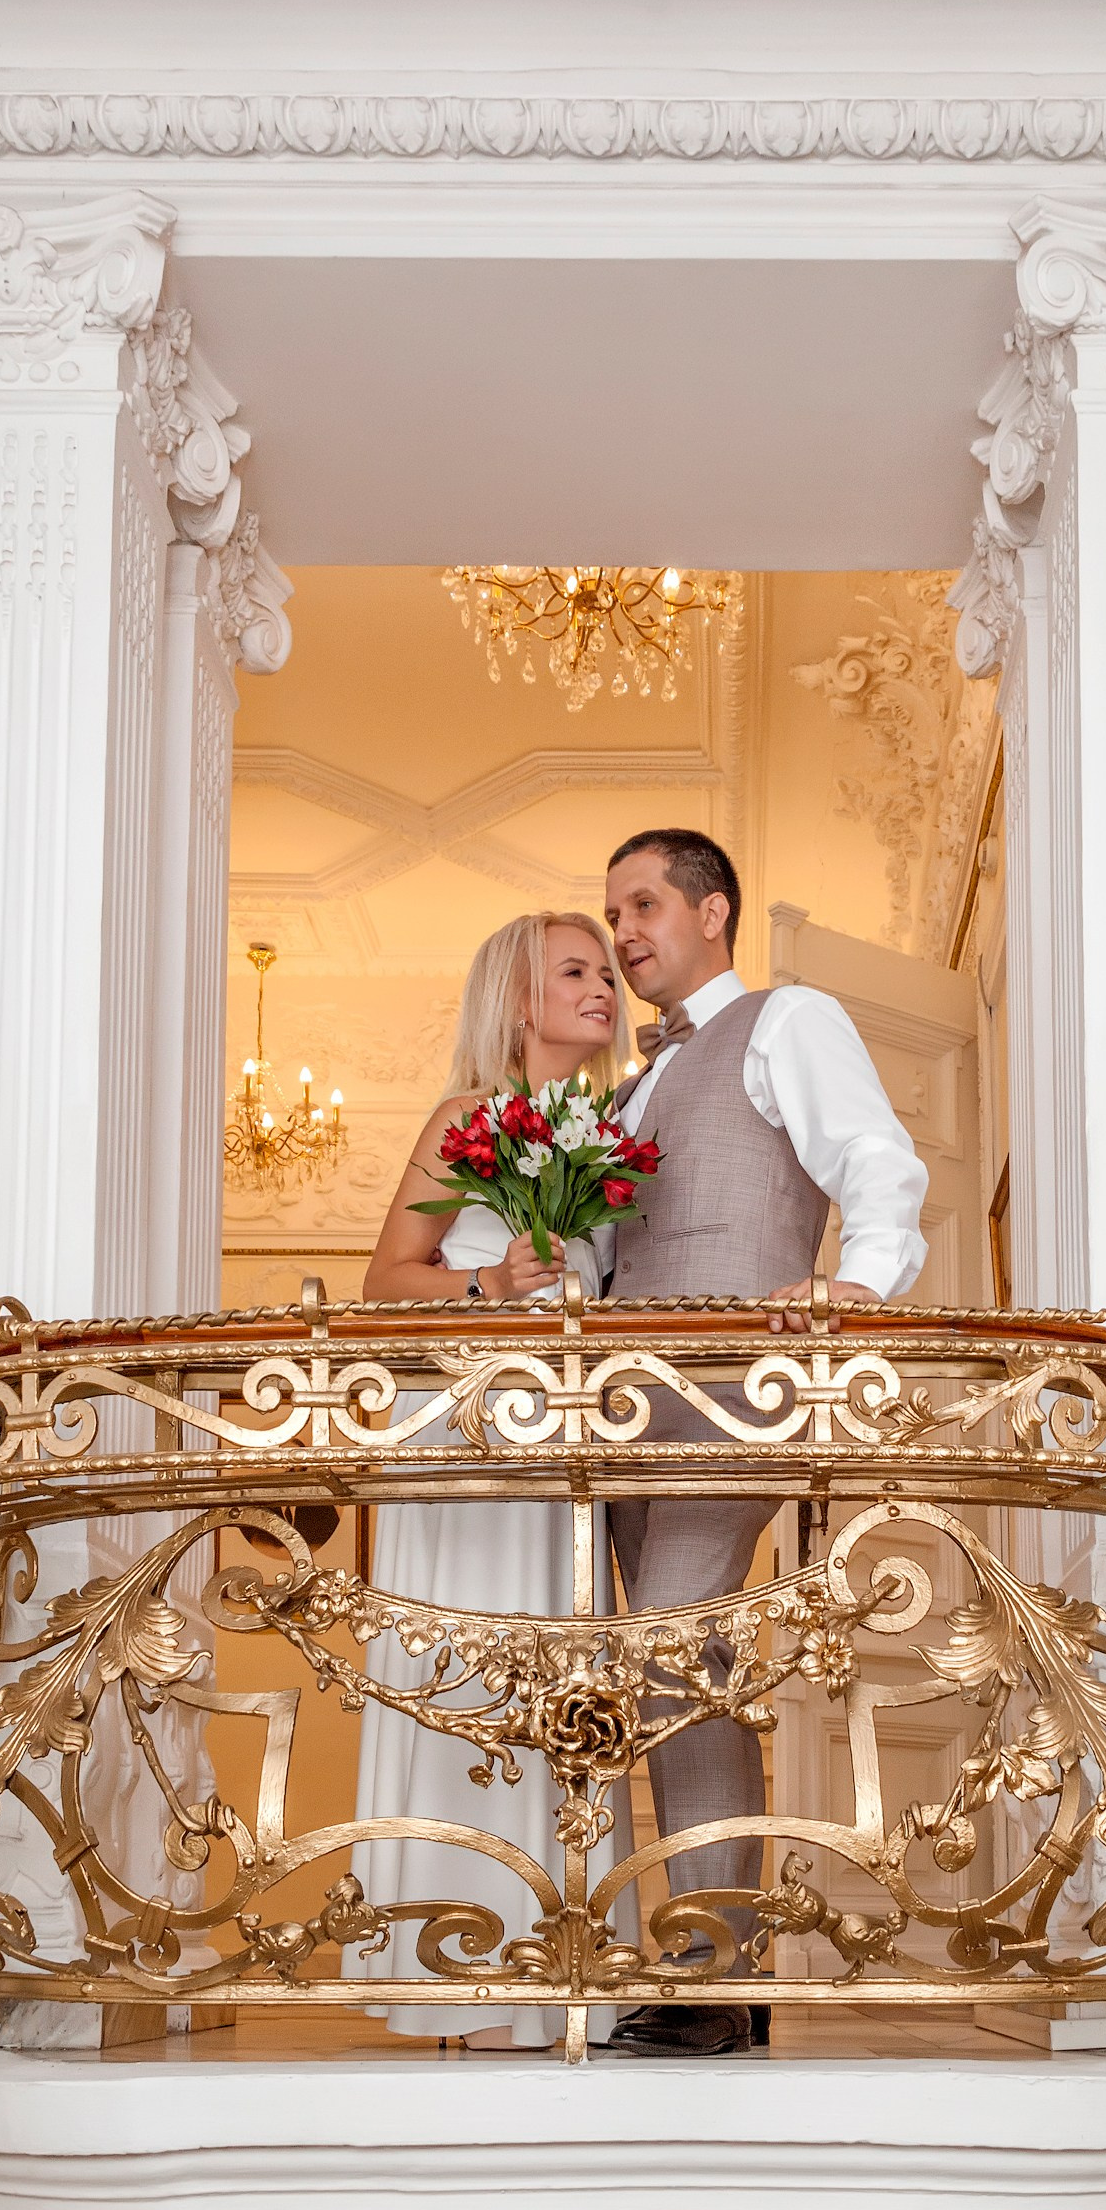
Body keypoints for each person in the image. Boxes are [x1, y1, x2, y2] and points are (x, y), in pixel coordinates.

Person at [597, 827, 928, 2058]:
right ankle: (711, 1966)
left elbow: (876, 1158)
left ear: (713, 910)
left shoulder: (788, 1019)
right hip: (617, 1408)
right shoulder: (626, 1088)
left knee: (669, 1648)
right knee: (672, 1674)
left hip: (735, 1393)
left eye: (643, 905)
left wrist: (862, 1289)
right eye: (613, 914)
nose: (624, 933)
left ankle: (708, 1975)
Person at [347, 911, 635, 2051]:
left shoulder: (609, 1135)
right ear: (518, 998)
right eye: (576, 970)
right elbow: (384, 1280)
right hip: (461, 1437)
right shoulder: (463, 1119)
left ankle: (562, 1969)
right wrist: (490, 1288)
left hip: (563, 1442)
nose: (604, 985)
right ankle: (454, 1975)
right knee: (462, 1671)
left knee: (566, 1676)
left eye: (606, 969)